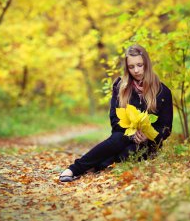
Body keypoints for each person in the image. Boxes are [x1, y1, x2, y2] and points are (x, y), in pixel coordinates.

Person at [59, 44, 173, 182]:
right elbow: (114, 120)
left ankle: (97, 165)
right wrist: (131, 134)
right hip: (123, 136)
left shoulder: (163, 92)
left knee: (129, 151)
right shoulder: (120, 86)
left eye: (140, 65)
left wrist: (146, 137)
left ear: (147, 64)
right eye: (131, 67)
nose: (136, 70)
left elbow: (166, 128)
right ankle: (73, 169)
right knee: (119, 139)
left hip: (148, 144)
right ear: (127, 68)